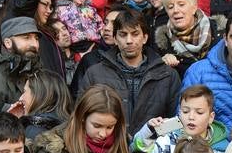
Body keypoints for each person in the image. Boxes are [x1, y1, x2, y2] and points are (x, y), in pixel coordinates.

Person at [76, 9, 181, 138]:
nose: (129, 40)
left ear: (145, 38)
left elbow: (175, 122)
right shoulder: (94, 73)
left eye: (135, 34)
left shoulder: (167, 75)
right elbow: (80, 116)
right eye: (123, 34)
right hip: (106, 150)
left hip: (150, 152)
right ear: (115, 38)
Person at [132, 83, 227, 153]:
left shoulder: (222, 149)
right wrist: (148, 132)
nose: (191, 117)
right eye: (185, 111)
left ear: (211, 117)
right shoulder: (164, 140)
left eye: (199, 112)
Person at [154, 0, 215, 77]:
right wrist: (162, 62)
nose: (175, 10)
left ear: (194, 8)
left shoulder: (217, 30)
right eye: (170, 7)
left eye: (181, 5)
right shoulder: (162, 41)